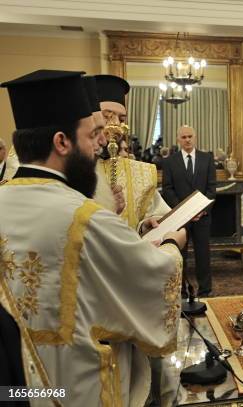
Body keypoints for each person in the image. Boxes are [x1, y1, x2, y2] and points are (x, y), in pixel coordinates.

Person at [0, 69, 186, 406]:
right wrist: (172, 243)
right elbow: (156, 277)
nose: (99, 146)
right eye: (91, 137)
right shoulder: (83, 216)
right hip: (72, 388)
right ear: (62, 141)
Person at [93, 74, 170, 231]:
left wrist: (146, 225)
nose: (115, 125)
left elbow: (153, 215)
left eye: (121, 119)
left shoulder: (142, 172)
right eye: (107, 117)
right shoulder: (73, 167)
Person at [162, 125, 216, 297]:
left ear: (195, 137)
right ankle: (182, 290)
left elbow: (211, 189)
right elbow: (167, 189)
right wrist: (182, 211)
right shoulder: (170, 161)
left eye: (190, 136)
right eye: (184, 137)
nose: (187, 140)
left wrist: (201, 210)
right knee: (180, 256)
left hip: (202, 217)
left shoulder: (206, 159)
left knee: (203, 255)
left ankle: (205, 290)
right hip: (180, 219)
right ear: (178, 139)